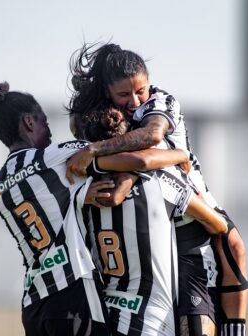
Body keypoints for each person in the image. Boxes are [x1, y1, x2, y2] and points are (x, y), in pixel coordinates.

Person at [66, 42, 248, 336]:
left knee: (234, 245)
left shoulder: (161, 101)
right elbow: (82, 129)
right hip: (156, 215)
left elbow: (151, 138)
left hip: (189, 201)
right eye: (125, 94)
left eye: (141, 90)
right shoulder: (106, 114)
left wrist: (95, 151)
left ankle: (236, 329)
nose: (136, 100)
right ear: (108, 92)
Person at [0, 81, 192, 336]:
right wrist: (179, 155)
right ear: (29, 122)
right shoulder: (52, 157)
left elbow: (49, 208)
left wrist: (80, 196)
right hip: (71, 291)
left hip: (33, 302)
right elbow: (133, 158)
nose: (49, 130)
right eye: (44, 121)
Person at [77, 105, 229, 336]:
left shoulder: (80, 188)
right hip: (150, 320)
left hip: (104, 313)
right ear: (127, 140)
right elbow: (220, 225)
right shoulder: (160, 179)